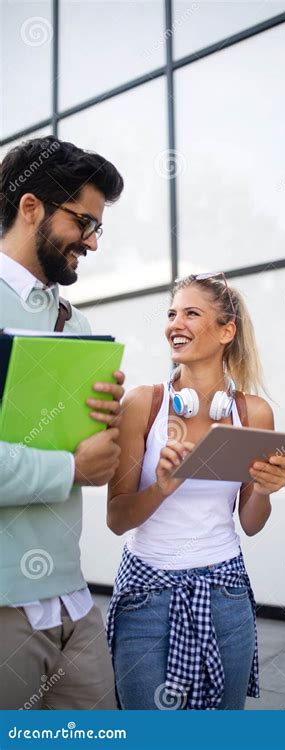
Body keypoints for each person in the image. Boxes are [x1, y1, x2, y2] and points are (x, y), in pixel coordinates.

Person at [106, 273, 285, 710]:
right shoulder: (142, 403)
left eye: (191, 313)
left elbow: (250, 524)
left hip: (225, 593)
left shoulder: (253, 412)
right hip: (146, 596)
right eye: (172, 313)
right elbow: (117, 520)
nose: (176, 323)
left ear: (227, 330)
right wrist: (163, 487)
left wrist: (265, 490)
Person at [0, 136, 125, 709]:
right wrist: (72, 465)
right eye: (83, 221)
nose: (93, 241)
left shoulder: (77, 323)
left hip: (73, 599)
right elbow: (70, 463)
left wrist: (102, 428)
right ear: (31, 208)